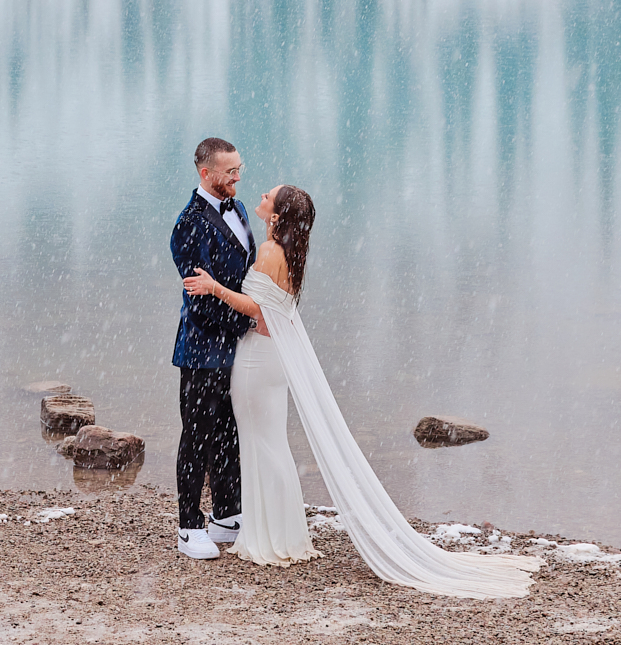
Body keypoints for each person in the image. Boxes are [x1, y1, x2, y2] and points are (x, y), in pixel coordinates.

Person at [186, 184, 539, 599]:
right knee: (270, 443)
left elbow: (257, 311)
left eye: (269, 195)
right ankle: (282, 532)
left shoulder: (268, 253)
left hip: (257, 360)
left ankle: (270, 537)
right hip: (272, 359)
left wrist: (214, 287)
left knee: (260, 442)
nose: (260, 195)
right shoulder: (291, 254)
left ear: (277, 215)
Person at [168, 137, 251, 560]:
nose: (238, 176)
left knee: (228, 434)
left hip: (236, 347)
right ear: (206, 173)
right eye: (230, 171)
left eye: (239, 167)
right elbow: (200, 300)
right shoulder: (189, 223)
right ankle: (188, 527)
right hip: (201, 349)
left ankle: (227, 514)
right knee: (196, 438)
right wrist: (249, 321)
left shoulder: (236, 208)